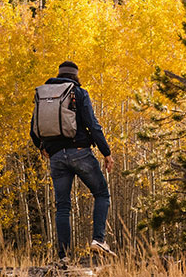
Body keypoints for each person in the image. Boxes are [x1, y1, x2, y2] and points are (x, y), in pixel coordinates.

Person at [31, 60, 115, 259]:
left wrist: (42, 147)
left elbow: (33, 129)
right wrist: (106, 152)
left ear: (58, 74)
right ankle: (98, 240)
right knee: (102, 193)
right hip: (80, 152)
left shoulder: (43, 94)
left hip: (56, 157)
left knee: (63, 206)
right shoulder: (78, 93)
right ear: (75, 76)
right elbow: (93, 126)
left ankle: (64, 256)